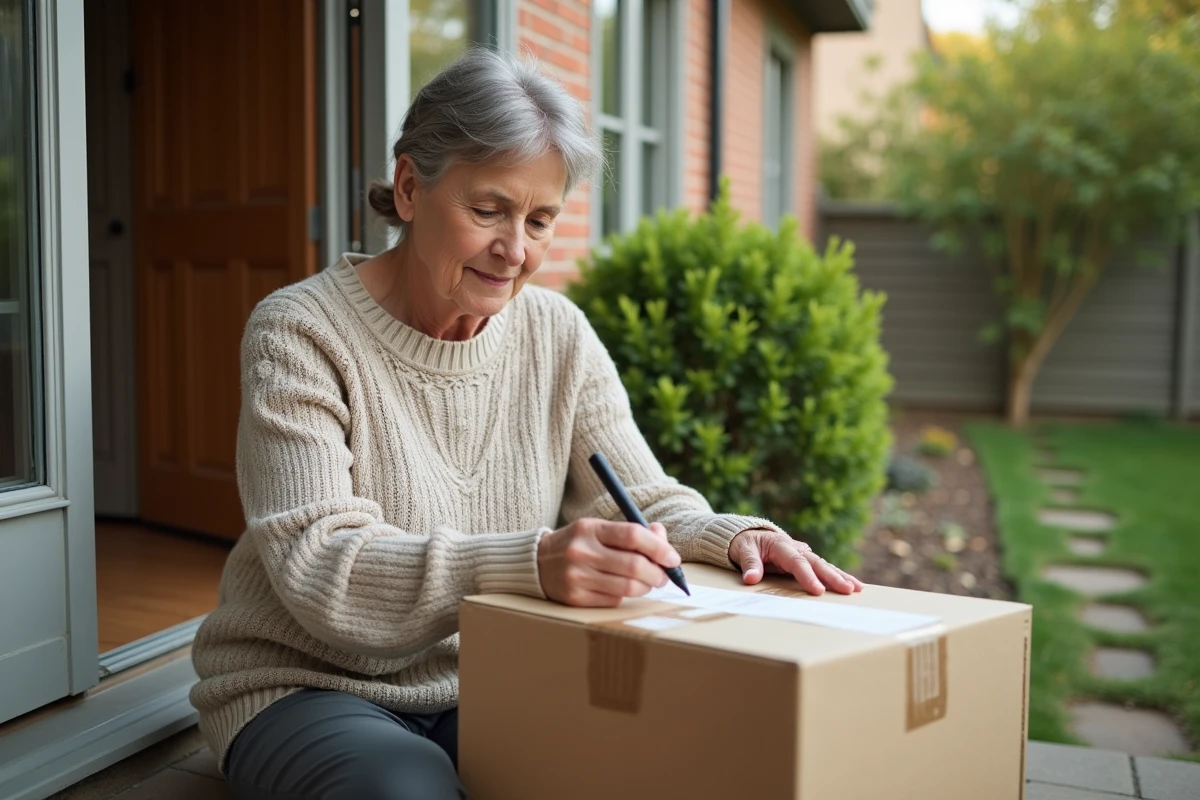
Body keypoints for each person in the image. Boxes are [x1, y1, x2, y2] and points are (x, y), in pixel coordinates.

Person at [189, 47, 864, 800]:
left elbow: (638, 499)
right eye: (488, 211)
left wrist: (732, 536)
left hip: (494, 674)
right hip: (307, 684)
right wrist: (532, 562)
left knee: (641, 766)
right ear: (409, 188)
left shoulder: (555, 332)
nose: (515, 250)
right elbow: (323, 567)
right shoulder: (299, 332)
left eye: (540, 220)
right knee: (402, 790)